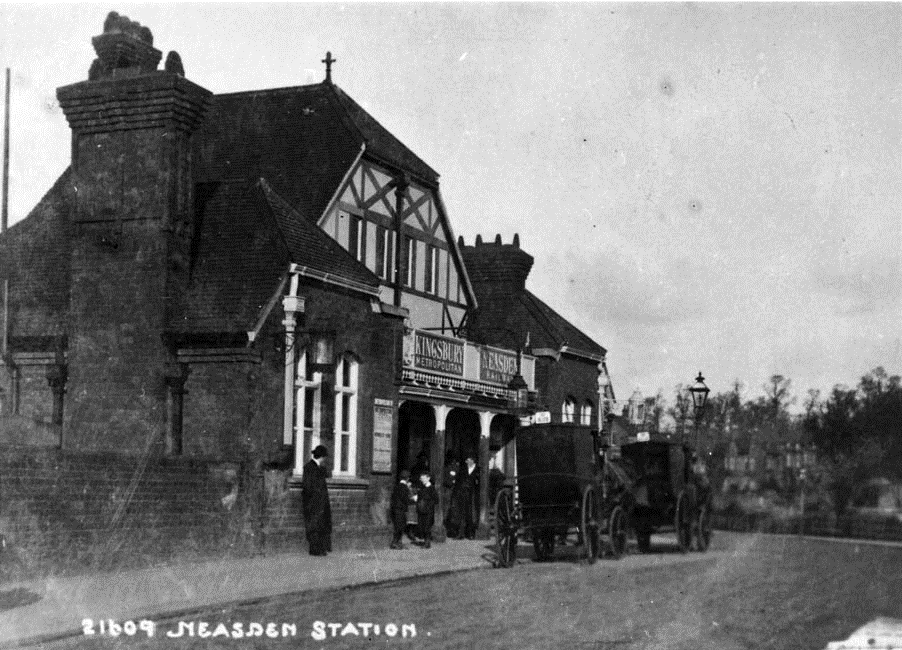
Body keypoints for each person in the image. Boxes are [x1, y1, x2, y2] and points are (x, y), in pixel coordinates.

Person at [301, 445, 332, 556]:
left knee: (320, 525)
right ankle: (315, 549)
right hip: (314, 503)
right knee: (315, 525)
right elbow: (308, 486)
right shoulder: (310, 468)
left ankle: (319, 549)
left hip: (319, 503)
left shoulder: (316, 468)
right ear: (322, 457)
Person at [455, 455, 480, 539]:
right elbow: (458, 481)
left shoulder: (478, 470)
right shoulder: (463, 470)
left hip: (473, 495)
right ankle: (460, 534)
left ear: (472, 461)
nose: (466, 462)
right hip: (463, 494)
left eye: (468, 460)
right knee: (462, 514)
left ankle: (471, 534)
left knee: (471, 515)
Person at [390, 470, 416, 549]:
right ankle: (395, 543)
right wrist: (414, 499)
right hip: (401, 509)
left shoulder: (396, 486)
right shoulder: (404, 487)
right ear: (407, 479)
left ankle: (398, 543)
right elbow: (405, 499)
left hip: (395, 509)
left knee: (398, 526)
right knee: (399, 527)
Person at [416, 472, 438, 548]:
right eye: (421, 478)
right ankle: (426, 542)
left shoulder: (431, 488)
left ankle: (427, 543)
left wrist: (428, 504)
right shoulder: (421, 487)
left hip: (428, 511)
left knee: (427, 527)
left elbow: (436, 500)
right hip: (421, 510)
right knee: (422, 526)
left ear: (428, 478)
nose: (422, 480)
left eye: (423, 478)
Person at [443, 454, 461, 538]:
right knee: (447, 509)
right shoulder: (446, 468)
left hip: (454, 491)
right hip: (448, 490)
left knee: (454, 510)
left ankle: (453, 530)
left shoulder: (456, 469)